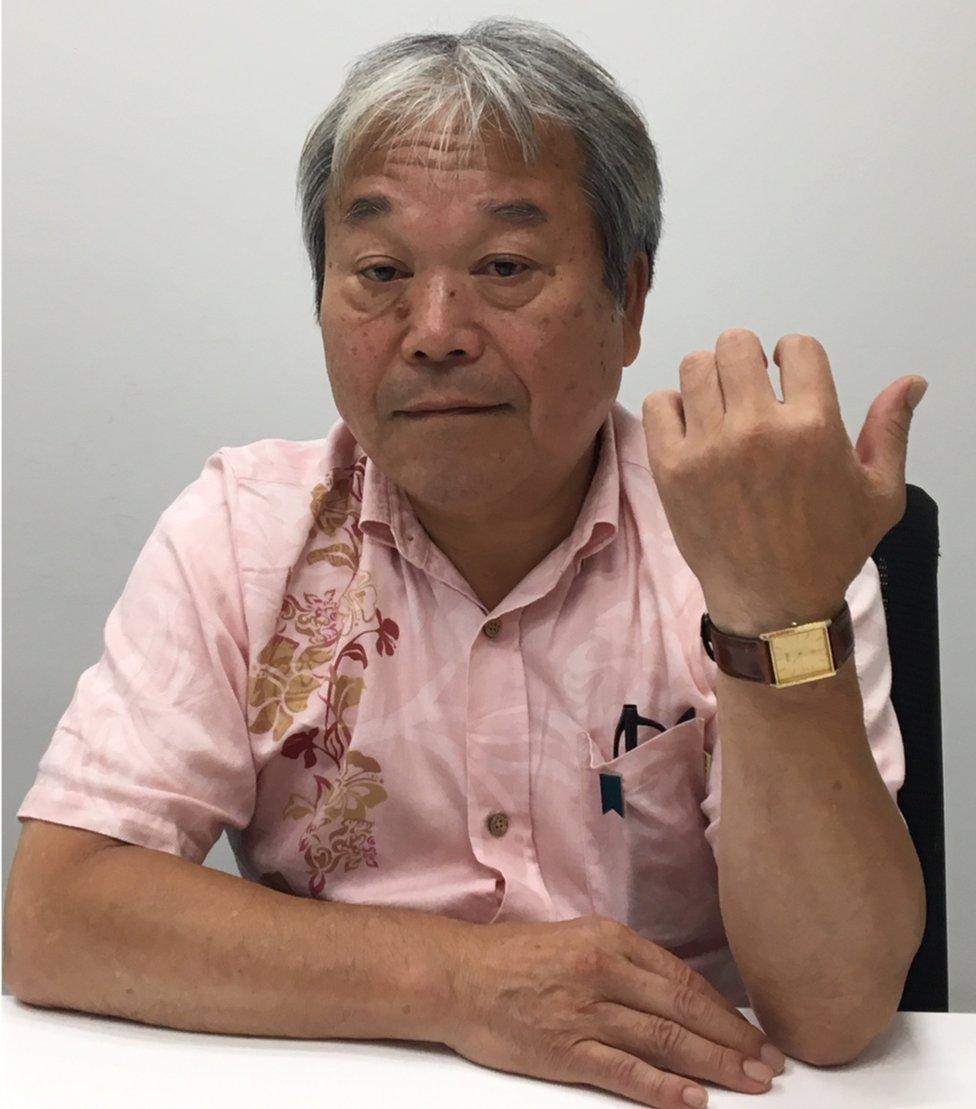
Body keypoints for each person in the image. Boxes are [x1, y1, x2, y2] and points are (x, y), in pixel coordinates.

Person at [6, 16, 905, 1109]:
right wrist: (459, 982)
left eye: (504, 266)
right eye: (380, 269)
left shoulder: (753, 534)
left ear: (629, 298)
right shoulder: (241, 531)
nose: (433, 329)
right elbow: (58, 917)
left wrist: (771, 608)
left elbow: (835, 1009)